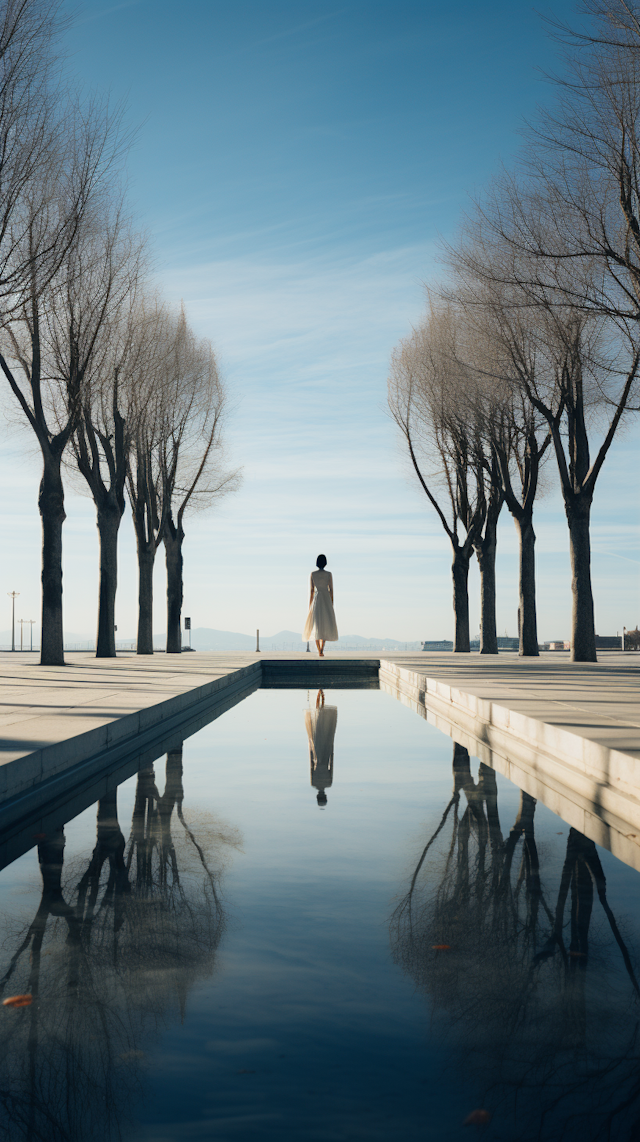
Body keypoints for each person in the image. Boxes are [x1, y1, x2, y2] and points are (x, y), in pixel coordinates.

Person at [304, 689, 338, 808]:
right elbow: (329, 765)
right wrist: (311, 746)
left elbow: (313, 765)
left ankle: (320, 703)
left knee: (321, 729)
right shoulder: (318, 783)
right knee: (319, 729)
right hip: (320, 754)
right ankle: (320, 704)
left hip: (322, 753)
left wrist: (331, 747)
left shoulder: (324, 783)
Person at [302, 554, 338, 657]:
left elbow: (312, 590)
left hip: (317, 599)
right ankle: (322, 648)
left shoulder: (313, 574)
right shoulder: (329, 574)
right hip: (326, 599)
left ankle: (319, 650)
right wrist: (331, 603)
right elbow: (331, 590)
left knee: (317, 625)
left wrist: (310, 605)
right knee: (325, 624)